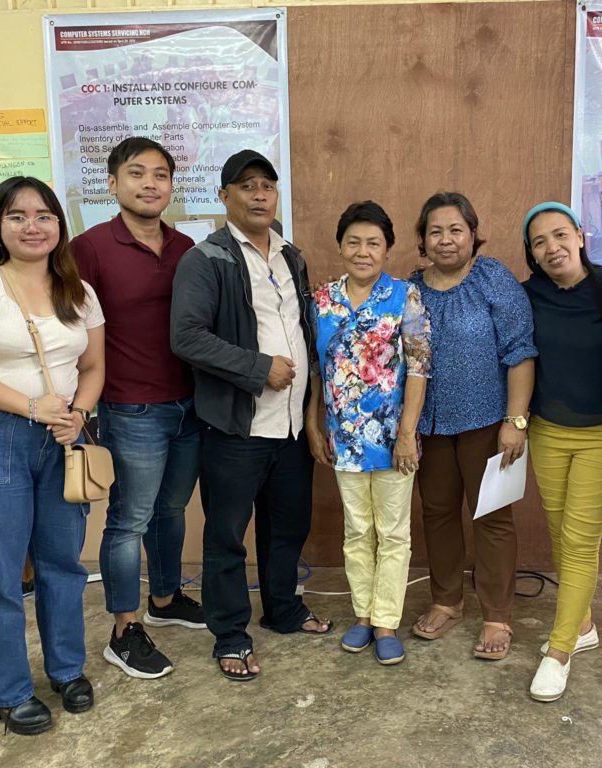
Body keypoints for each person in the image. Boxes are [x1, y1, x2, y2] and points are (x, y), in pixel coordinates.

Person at [0, 176, 105, 734]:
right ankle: (7, 692)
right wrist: (31, 406)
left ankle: (66, 670)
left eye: (43, 216)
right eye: (17, 216)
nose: (32, 226)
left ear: (59, 225)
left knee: (63, 564)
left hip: (62, 439)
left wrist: (79, 413)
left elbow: (93, 367)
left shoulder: (78, 291)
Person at [171, 149, 331, 682]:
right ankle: (231, 634)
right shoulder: (206, 260)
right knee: (226, 537)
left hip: (290, 427)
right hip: (237, 427)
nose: (259, 195)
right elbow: (187, 337)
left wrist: (312, 410)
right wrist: (259, 368)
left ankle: (282, 609)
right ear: (224, 196)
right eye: (246, 186)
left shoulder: (292, 257)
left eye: (267, 185)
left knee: (288, 527)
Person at [72, 137, 203, 680]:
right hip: (130, 409)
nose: (150, 183)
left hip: (189, 404)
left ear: (171, 186)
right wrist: (82, 405)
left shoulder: (186, 246)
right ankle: (124, 630)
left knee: (171, 510)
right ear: (112, 183)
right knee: (129, 521)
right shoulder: (88, 248)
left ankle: (165, 599)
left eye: (160, 175)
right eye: (136, 173)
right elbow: (72, 329)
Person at [408, 192, 537, 660]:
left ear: (472, 234)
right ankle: (447, 601)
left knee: (492, 517)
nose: (446, 240)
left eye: (455, 230)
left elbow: (520, 350)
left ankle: (497, 615)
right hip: (431, 425)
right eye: (435, 231)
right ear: (422, 239)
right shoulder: (410, 289)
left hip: (488, 422)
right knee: (437, 513)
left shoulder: (492, 279)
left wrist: (515, 420)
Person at [306, 201, 431, 666]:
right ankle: (362, 614)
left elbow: (418, 369)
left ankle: (386, 622)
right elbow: (317, 369)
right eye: (354, 242)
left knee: (393, 533)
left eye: (373, 243)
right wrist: (313, 422)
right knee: (357, 530)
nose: (363, 251)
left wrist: (407, 434)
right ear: (341, 247)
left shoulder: (404, 297)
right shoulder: (322, 301)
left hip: (394, 440)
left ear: (387, 249)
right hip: (344, 440)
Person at [520, 202, 602, 702]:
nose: (552, 248)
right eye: (539, 242)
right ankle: (582, 624)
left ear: (581, 236)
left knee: (581, 541)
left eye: (560, 235)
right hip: (547, 430)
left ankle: (560, 650)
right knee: (560, 531)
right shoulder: (528, 295)